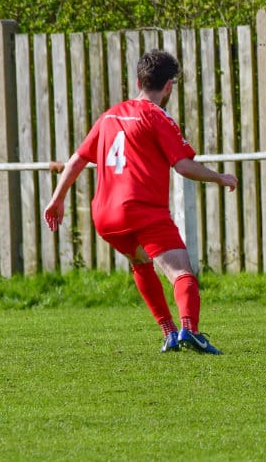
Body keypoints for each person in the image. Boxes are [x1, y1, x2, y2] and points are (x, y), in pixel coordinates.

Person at [44, 49, 238, 353]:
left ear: (138, 81)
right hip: (142, 210)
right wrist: (219, 177)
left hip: (106, 216)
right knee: (181, 273)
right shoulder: (156, 116)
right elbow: (183, 166)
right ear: (169, 86)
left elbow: (77, 159)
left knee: (141, 263)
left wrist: (57, 199)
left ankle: (169, 333)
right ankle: (190, 330)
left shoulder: (109, 116)